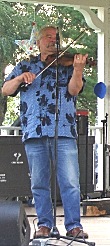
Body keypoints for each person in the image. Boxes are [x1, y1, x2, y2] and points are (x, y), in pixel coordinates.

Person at [1, 26, 89, 239]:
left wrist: (78, 69)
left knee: (69, 182)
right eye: (48, 37)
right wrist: (21, 78)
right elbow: (6, 89)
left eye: (56, 38)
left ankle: (73, 226)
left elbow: (74, 90)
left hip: (64, 130)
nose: (53, 41)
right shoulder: (26, 65)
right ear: (39, 42)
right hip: (34, 130)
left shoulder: (67, 65)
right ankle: (44, 225)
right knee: (39, 182)